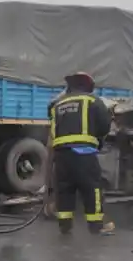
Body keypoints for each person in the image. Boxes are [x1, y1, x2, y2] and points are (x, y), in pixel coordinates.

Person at [47, 72, 112, 234]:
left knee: (64, 189)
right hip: (84, 152)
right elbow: (104, 126)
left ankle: (65, 225)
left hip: (61, 154)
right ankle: (96, 226)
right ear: (88, 86)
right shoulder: (93, 100)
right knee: (92, 188)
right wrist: (98, 141)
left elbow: (53, 127)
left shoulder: (58, 104)